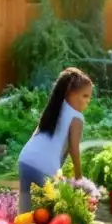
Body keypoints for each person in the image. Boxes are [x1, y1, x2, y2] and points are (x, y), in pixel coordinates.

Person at [17, 68, 92, 214]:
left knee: (24, 212)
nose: (87, 101)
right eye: (84, 96)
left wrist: (57, 173)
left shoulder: (54, 108)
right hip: (43, 168)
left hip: (25, 160)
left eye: (89, 97)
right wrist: (79, 177)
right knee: (47, 214)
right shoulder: (77, 117)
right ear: (70, 93)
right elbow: (74, 149)